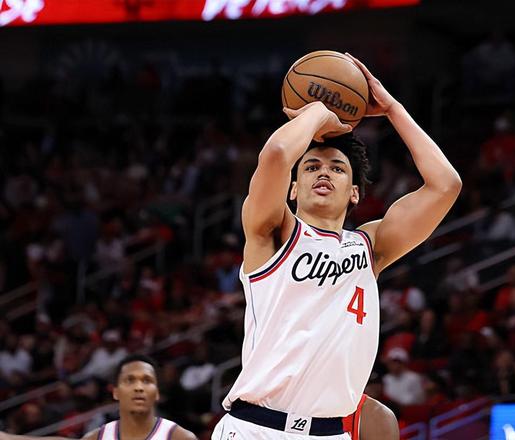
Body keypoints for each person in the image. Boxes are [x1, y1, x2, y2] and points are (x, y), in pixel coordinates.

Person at [212, 53, 461, 439]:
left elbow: (446, 185)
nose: (323, 172)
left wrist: (392, 109)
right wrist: (318, 112)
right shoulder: (273, 232)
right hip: (255, 427)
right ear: (293, 188)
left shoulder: (371, 246)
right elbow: (276, 155)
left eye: (337, 168)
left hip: (331, 433)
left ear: (355, 192)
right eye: (311, 167)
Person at [0, 355, 197, 440]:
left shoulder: (178, 436)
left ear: (157, 393)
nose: (138, 388)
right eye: (130, 381)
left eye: (146, 381)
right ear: (116, 392)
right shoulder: (102, 435)